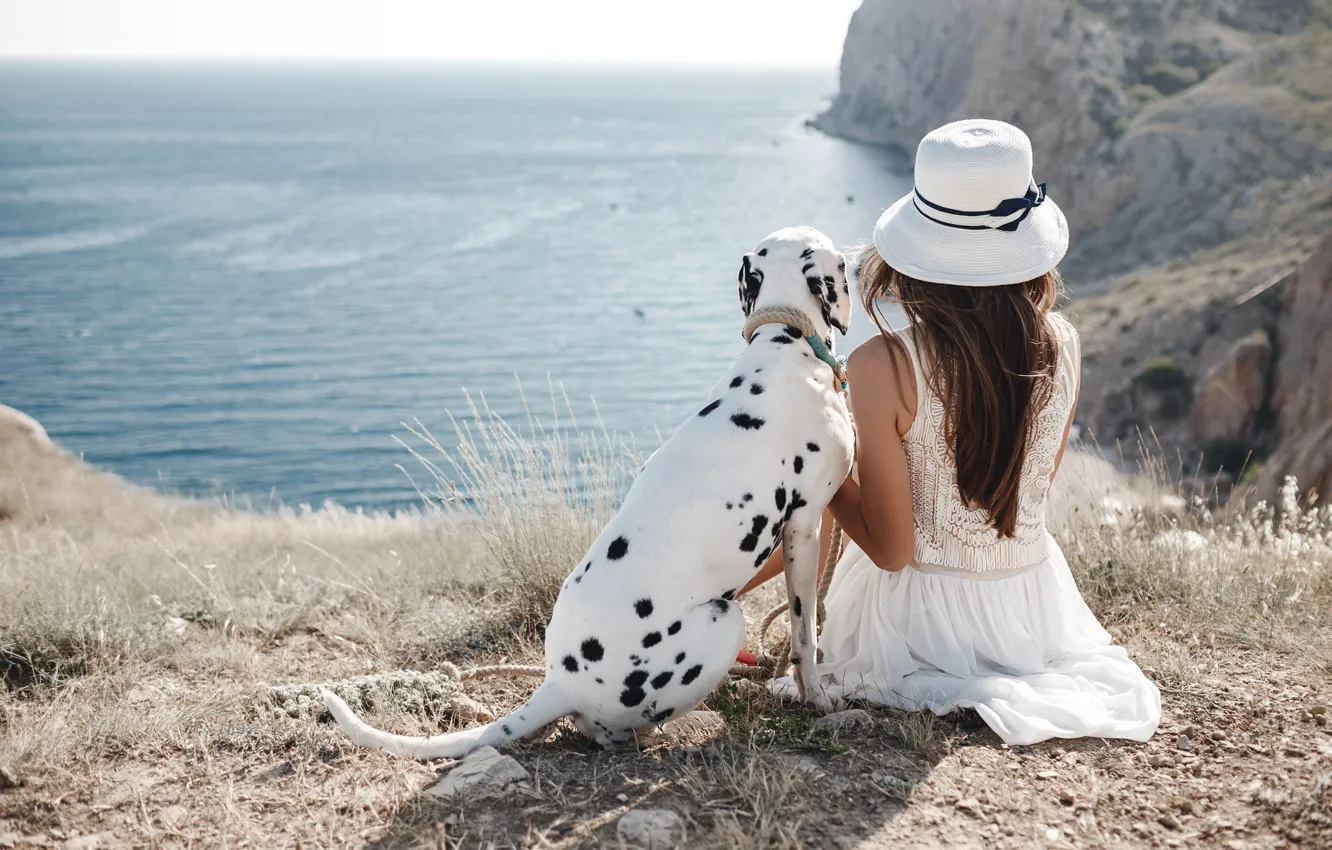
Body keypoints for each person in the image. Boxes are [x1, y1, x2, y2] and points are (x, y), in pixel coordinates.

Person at [742, 119, 1160, 745]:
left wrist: (827, 469)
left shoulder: (883, 366)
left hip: (915, 627)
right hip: (1030, 615)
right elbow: (1027, 494)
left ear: (915, 252)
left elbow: (891, 552)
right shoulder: (1064, 345)